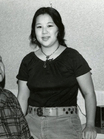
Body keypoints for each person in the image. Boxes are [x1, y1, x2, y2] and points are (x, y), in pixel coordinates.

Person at [16, 7, 97, 139]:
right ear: (34, 31)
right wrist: (17, 125)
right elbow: (22, 98)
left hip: (65, 126)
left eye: (49, 25)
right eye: (39, 27)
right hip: (31, 126)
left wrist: (90, 125)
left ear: (58, 29)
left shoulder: (73, 57)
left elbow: (89, 93)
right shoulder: (27, 61)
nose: (44, 31)